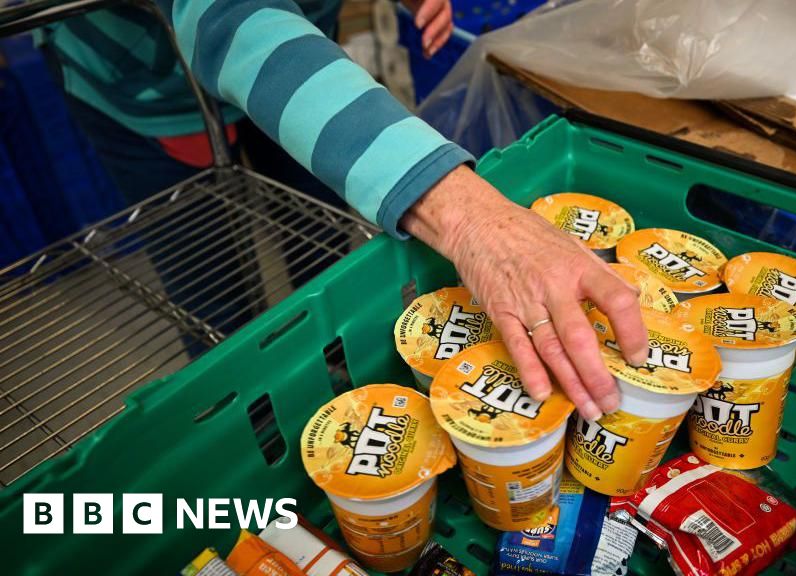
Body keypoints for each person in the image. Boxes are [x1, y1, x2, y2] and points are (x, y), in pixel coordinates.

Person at [41, 0, 647, 421]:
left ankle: (333, 385)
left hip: (300, 34)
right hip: (151, 76)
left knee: (320, 242)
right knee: (217, 302)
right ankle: (256, 434)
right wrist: (471, 218)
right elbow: (229, 19)